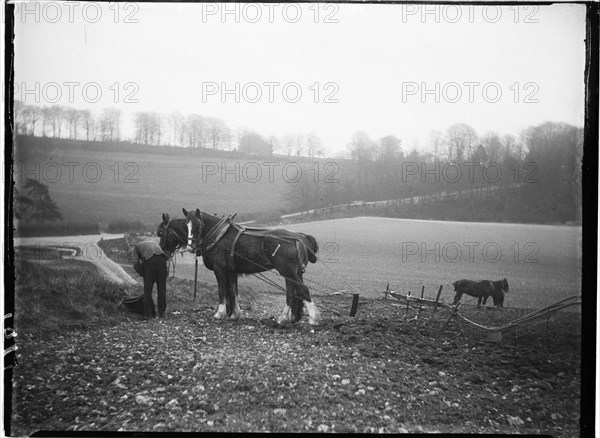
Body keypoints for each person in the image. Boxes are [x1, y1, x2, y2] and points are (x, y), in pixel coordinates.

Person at [132, 239, 168, 320]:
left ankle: (148, 314)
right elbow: (164, 257)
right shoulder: (153, 242)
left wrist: (142, 273)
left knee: (148, 290)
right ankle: (162, 313)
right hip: (162, 260)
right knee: (162, 289)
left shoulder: (136, 247)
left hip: (150, 261)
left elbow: (135, 263)